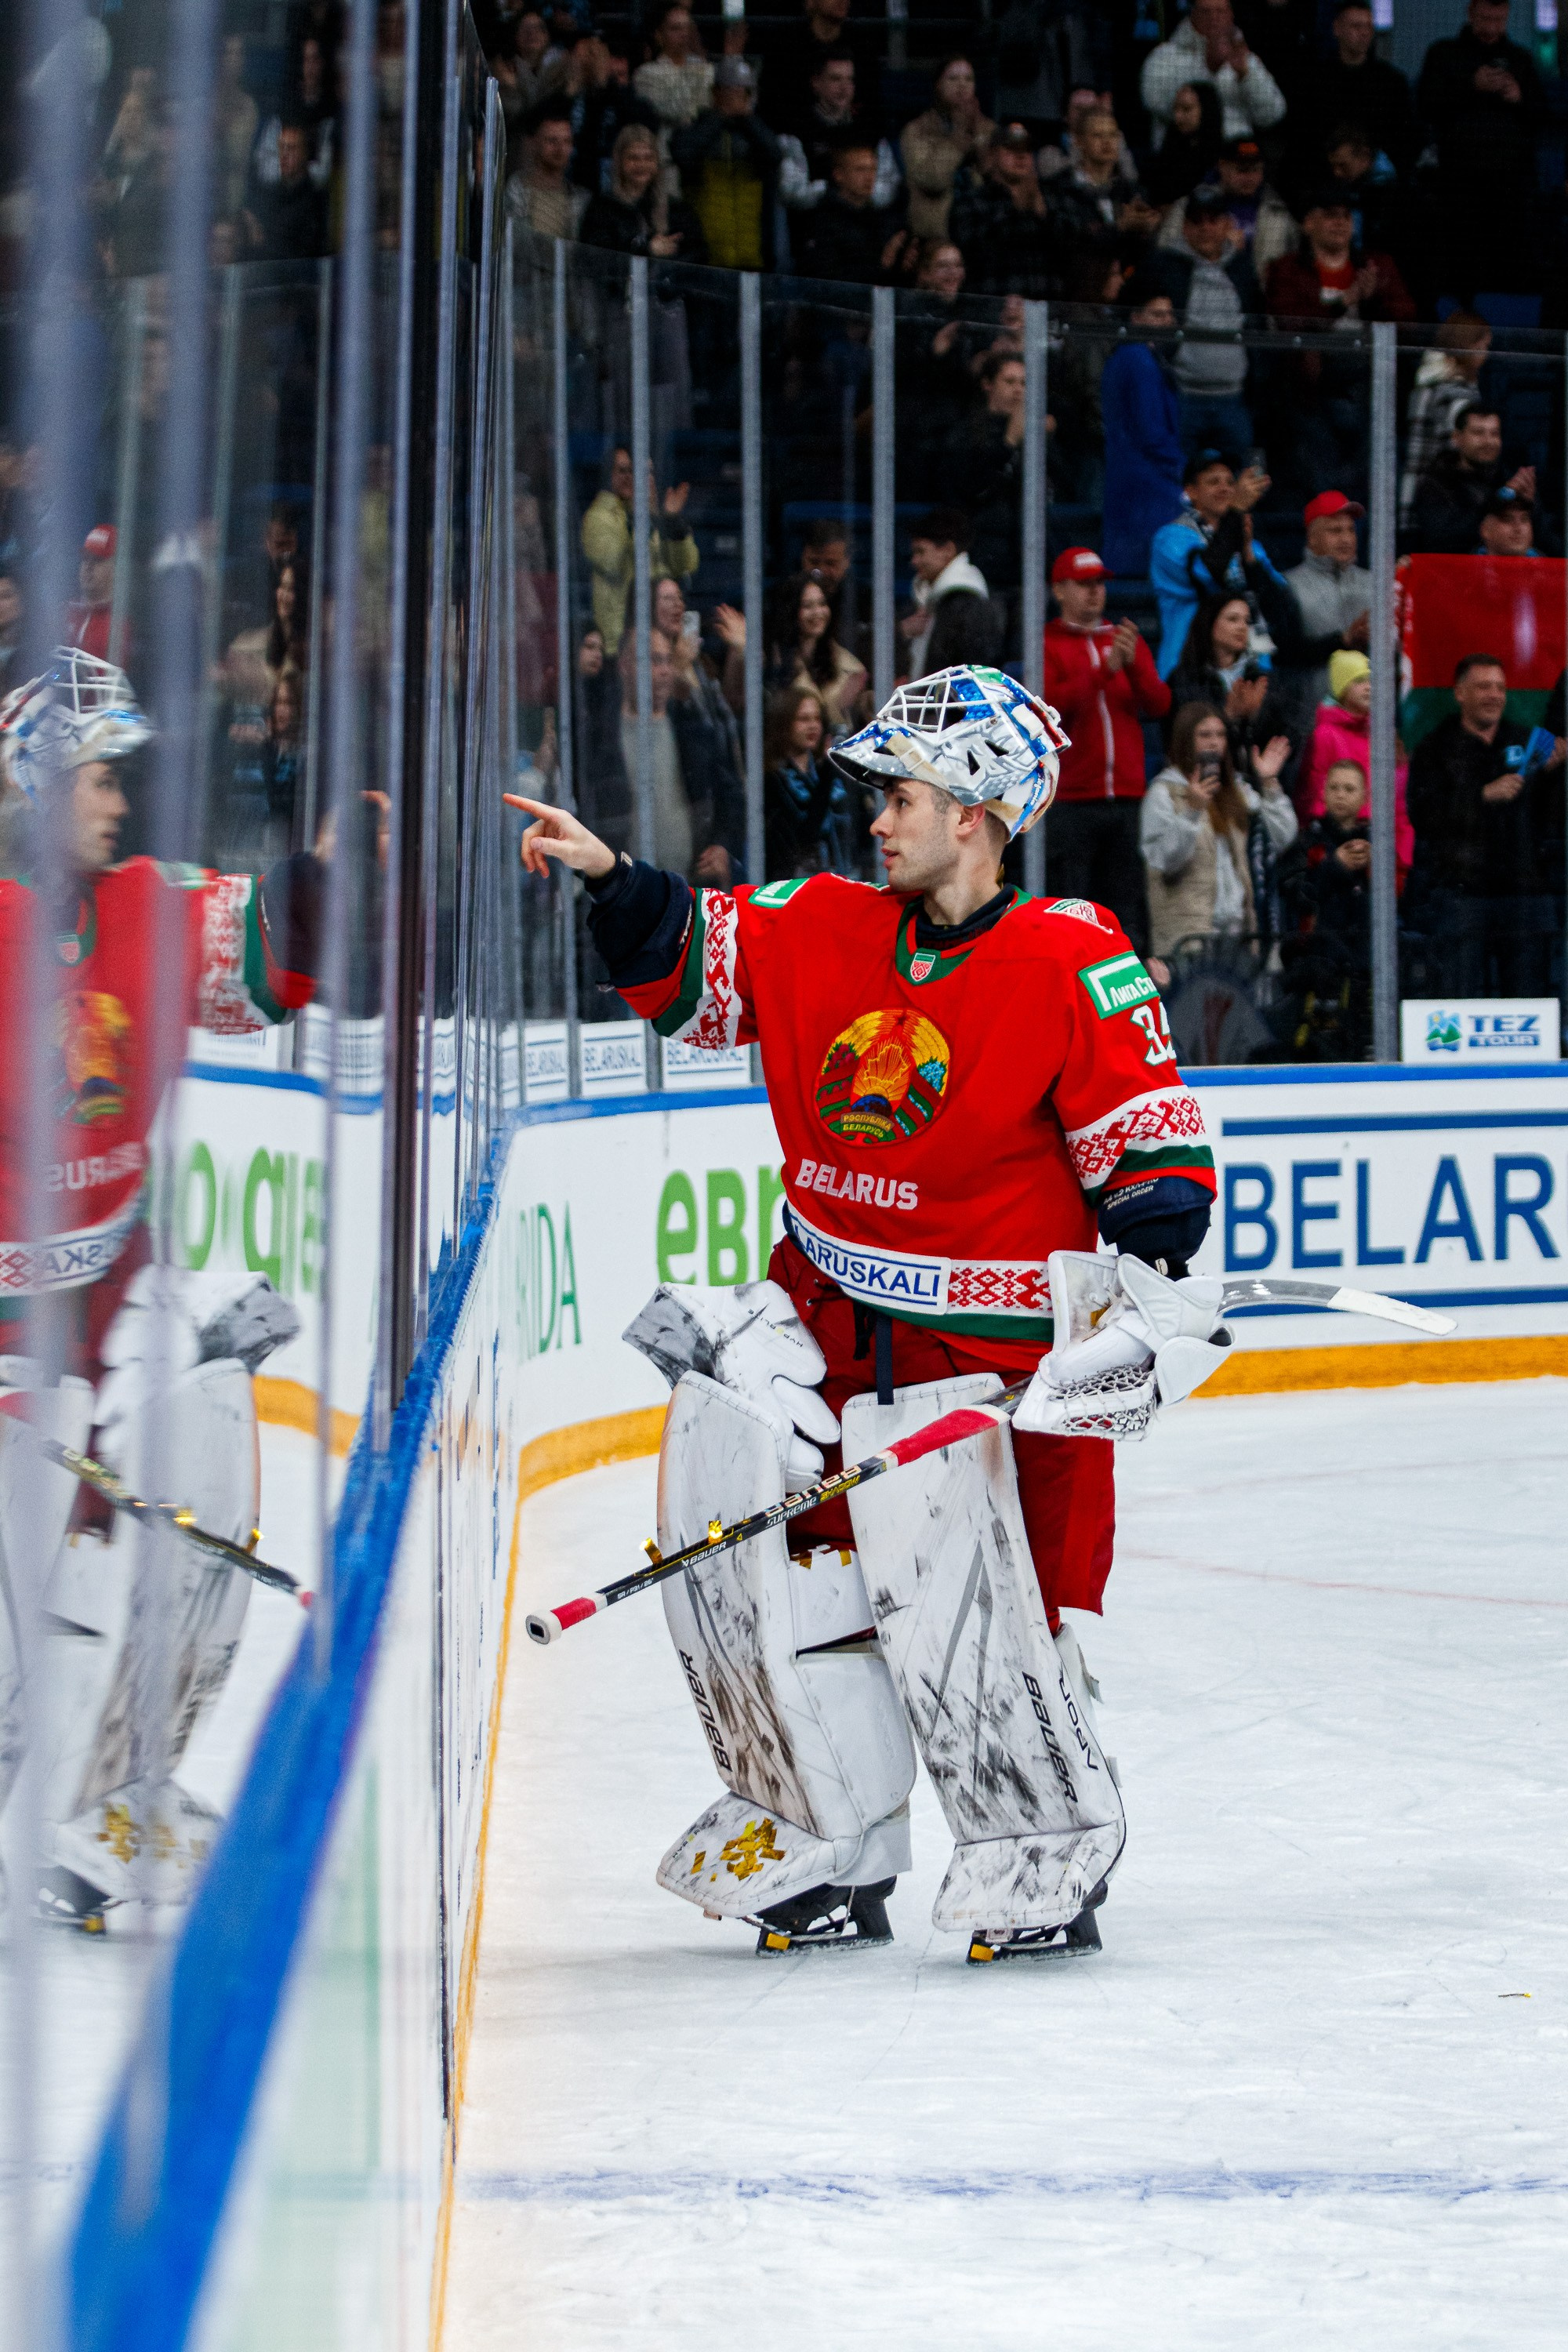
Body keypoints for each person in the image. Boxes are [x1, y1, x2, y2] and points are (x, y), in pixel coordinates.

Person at [507, 663, 1221, 1959]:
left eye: (903, 795)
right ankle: (827, 1828)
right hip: (826, 1317)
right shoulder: (821, 922)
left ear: (978, 813)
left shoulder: (1071, 952)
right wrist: (615, 876)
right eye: (879, 795)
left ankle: (1035, 1841)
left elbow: (1152, 1163)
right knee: (784, 1570)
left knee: (978, 1613)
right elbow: (691, 967)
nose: (877, 819)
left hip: (992, 1367)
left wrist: (1151, 1285)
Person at [0, 650, 325, 1926]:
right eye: (95, 779)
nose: (119, 803)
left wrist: (322, 882)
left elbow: (273, 971)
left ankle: (109, 1798)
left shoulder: (148, 902)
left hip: (107, 1312)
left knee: (177, 1494)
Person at [1405, 652, 1566, 995]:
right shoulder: (1435, 749)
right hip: (1462, 897)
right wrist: (1481, 797)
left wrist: (1554, 774)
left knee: (1527, 1001)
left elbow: (1549, 816)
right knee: (1458, 998)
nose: (1494, 695)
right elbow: (1423, 814)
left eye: (1500, 687)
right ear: (1460, 693)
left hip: (1523, 897)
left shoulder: (1526, 741)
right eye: (1483, 687)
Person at [1043, 547, 1170, 953]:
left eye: (1099, 583)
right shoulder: (1047, 644)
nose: (1096, 592)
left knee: (1126, 905)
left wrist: (1130, 665)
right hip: (1073, 800)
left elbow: (1159, 704)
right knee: (1073, 904)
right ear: (1058, 590)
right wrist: (1105, 671)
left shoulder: (1124, 640)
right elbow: (1051, 710)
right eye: (1084, 584)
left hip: (1127, 797)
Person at [1142, 699, 1296, 960]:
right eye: (1204, 735)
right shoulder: (1163, 793)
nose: (1214, 742)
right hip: (1188, 939)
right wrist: (1191, 811)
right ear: (1185, 739)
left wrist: (1268, 782)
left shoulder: (1235, 791)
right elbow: (1163, 861)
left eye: (1220, 735)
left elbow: (1282, 836)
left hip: (1238, 935)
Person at [1417, 0, 1548, 296]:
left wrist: (1519, 97)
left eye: (1499, 20)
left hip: (1511, 183)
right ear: (1471, 13)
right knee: (1460, 261)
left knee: (1509, 263)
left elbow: (1542, 117)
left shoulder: (1520, 59)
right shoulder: (1444, 54)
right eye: (1486, 19)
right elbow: (1426, 105)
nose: (1492, 28)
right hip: (1457, 182)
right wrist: (1469, 85)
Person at [610, 625, 743, 882]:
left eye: (668, 661)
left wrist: (723, 847)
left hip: (689, 888)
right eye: (653, 660)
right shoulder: (603, 737)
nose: (664, 671)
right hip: (625, 892)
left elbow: (729, 796)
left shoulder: (692, 727)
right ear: (624, 666)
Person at [1141, 189, 1261, 461]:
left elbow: (1258, 325)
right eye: (1197, 221)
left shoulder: (1242, 267)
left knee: (1238, 482)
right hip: (1181, 395)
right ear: (1185, 227)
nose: (1205, 228)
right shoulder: (1163, 264)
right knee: (1173, 472)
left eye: (1213, 220)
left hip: (1234, 398)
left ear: (1227, 224)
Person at [1277, 757, 1377, 1061]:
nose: (1341, 794)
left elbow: (1401, 894)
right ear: (1323, 793)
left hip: (1365, 963)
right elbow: (1297, 895)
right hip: (1318, 963)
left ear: (1364, 797)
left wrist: (1376, 868)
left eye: (1349, 788)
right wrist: (1334, 868)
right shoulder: (1307, 841)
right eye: (1334, 787)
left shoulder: (1378, 843)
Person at [1149, 446, 1279, 677]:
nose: (1225, 489)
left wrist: (1248, 555)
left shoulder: (1250, 544)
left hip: (1250, 668)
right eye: (1213, 482)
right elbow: (1205, 574)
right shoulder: (1170, 539)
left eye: (1230, 482)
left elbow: (1277, 599)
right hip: (1190, 668)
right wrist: (1236, 512)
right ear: (1191, 491)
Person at [1296, 648, 1413, 870]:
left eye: (1372, 680)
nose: (1369, 686)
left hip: (1383, 844)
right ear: (1341, 688)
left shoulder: (1383, 734)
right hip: (1342, 844)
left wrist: (1402, 856)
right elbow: (1315, 796)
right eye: (1359, 681)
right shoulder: (1325, 735)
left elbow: (1398, 800)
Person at [1098, 285, 1184, 579]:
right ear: (1135, 318)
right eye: (1157, 314)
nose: (1167, 322)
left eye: (1169, 315)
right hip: (1149, 485)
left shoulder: (1128, 357)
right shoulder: (1138, 358)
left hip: (1132, 481)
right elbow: (1152, 432)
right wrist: (1182, 470)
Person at [579, 445, 698, 657]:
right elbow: (613, 563)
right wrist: (639, 518)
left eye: (638, 471)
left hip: (658, 641)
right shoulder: (599, 517)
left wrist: (673, 523)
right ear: (609, 475)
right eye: (623, 470)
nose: (631, 477)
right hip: (619, 645)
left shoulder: (651, 515)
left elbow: (685, 568)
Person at [671, 60, 782, 271]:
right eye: (729, 92)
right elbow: (684, 155)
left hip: (753, 258)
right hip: (706, 259)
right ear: (715, 93)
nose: (736, 99)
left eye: (743, 93)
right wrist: (720, 118)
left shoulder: (758, 132)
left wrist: (747, 120)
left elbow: (774, 156)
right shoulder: (697, 127)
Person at [1289, 0, 1417, 183]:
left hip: (1379, 177)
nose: (1364, 33)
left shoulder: (1391, 81)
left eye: (1368, 27)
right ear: (1337, 29)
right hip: (1325, 172)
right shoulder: (1314, 80)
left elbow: (1405, 136)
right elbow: (1304, 134)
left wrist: (1366, 159)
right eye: (1356, 26)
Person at [1279, 488, 1370, 728]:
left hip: (1367, 724)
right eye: (1335, 530)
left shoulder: (1374, 584)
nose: (1346, 539)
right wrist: (1343, 640)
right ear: (1312, 538)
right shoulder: (1289, 586)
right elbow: (1286, 653)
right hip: (1311, 720)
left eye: (1351, 530)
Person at [1140, 0, 1287, 143]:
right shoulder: (1165, 55)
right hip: (1183, 151)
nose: (1214, 18)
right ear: (1193, 14)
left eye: (1220, 11)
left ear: (1230, 15)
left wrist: (1246, 76)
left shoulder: (1244, 59)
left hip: (1234, 151)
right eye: (1206, 12)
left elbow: (1272, 115)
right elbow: (1153, 100)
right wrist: (1209, 69)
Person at [1153, 135, 1296, 281]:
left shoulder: (1278, 211)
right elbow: (1165, 252)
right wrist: (1216, 246)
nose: (1250, 178)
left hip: (1263, 297)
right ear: (1222, 167)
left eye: (1256, 170)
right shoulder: (1190, 206)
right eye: (1242, 170)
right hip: (1201, 291)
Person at [1398, 311, 1491, 528]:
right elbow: (1459, 455)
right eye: (1484, 346)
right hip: (1446, 505)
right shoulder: (1456, 393)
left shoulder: (1426, 383)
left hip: (1416, 495)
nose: (1486, 354)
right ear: (1469, 345)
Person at [778, 53, 898, 218]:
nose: (844, 88)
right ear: (816, 83)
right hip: (814, 227)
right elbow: (792, 192)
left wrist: (857, 195)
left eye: (850, 80)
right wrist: (836, 192)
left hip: (865, 225)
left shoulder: (871, 129)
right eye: (836, 79)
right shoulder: (796, 130)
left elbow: (889, 184)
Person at [1406, 405, 1534, 557]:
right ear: (1457, 438)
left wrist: (1533, 507)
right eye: (1478, 433)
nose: (1488, 441)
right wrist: (1497, 502)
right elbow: (1440, 539)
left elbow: (1552, 543)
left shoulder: (1512, 479)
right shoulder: (1436, 482)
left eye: (1494, 434)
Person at [949, 122, 1052, 302]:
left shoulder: (1052, 198)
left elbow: (1074, 249)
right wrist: (1014, 210)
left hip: (1046, 312)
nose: (1021, 156)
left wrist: (1044, 215)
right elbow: (972, 250)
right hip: (992, 310)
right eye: (1011, 149)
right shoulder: (970, 202)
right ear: (993, 154)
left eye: (1026, 150)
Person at [579, 120, 707, 261]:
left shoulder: (677, 211)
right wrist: (646, 249)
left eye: (648, 158)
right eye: (633, 158)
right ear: (620, 162)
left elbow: (697, 254)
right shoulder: (602, 209)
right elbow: (596, 258)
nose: (641, 165)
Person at [762, 684, 856, 876]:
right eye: (803, 719)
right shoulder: (773, 779)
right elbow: (807, 833)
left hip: (844, 877)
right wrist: (829, 768)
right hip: (797, 886)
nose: (813, 725)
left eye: (817, 718)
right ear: (785, 723)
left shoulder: (827, 771)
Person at [898, 56, 993, 243]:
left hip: (983, 233)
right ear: (938, 85)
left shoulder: (989, 130)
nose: (962, 86)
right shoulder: (917, 131)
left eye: (968, 79)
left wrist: (978, 137)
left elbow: (995, 181)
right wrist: (959, 137)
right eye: (953, 79)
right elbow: (932, 180)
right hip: (936, 237)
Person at [900, 510, 1004, 680]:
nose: (914, 561)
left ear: (948, 550)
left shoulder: (967, 606)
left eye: (921, 552)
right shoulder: (933, 603)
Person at [791, 136, 905, 285]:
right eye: (860, 169)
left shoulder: (882, 221)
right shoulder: (822, 223)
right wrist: (881, 267)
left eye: (872, 169)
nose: (869, 177)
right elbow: (825, 279)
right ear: (839, 175)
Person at [767, 573, 867, 738]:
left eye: (822, 604)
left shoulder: (846, 664)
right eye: (807, 606)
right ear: (791, 611)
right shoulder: (775, 659)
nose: (818, 613)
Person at [244, 117, 331, 261]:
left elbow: (308, 251)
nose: (284, 155)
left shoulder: (317, 200)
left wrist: (261, 243)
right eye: (281, 147)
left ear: (306, 154)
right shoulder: (270, 195)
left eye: (291, 148)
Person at [633, 3, 713, 147]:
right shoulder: (646, 74)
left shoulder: (707, 69)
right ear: (659, 35)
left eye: (687, 28)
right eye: (676, 29)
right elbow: (677, 110)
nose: (684, 34)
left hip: (705, 154)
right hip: (668, 158)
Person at [505, 103, 588, 241]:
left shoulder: (580, 200)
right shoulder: (516, 191)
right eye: (552, 141)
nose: (560, 149)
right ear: (534, 143)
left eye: (566, 141)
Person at [1143, 80, 1224, 209]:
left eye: (1186, 109)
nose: (1178, 117)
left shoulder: (1223, 156)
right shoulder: (1169, 153)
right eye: (1176, 109)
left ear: (1206, 109)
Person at [63, 524, 116, 663]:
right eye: (85, 558)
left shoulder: (119, 623)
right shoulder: (65, 613)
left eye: (98, 560)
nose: (88, 567)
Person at [1476, 488, 1540, 557]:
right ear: (1486, 529)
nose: (1518, 529)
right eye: (1507, 519)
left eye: (1524, 519)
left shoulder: (1546, 566)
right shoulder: (1468, 567)